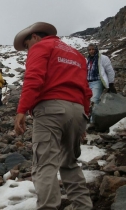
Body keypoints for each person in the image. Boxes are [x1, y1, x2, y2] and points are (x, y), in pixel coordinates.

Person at [13, 22, 93, 210]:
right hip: (77, 110)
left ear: (34, 37)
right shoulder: (77, 54)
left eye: (26, 46)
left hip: (51, 110)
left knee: (44, 165)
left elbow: (34, 77)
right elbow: (86, 90)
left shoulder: (41, 46)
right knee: (70, 164)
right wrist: (84, 119)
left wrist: (21, 110)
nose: (27, 51)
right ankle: (83, 206)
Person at [86, 43, 116, 126]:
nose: (91, 51)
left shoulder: (103, 58)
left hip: (98, 81)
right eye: (89, 49)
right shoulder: (87, 60)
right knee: (87, 101)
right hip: (88, 82)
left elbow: (110, 71)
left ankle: (93, 122)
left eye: (93, 49)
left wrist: (111, 83)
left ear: (96, 49)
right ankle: (88, 118)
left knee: (95, 100)